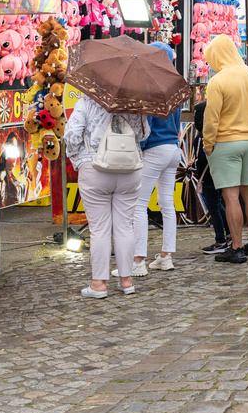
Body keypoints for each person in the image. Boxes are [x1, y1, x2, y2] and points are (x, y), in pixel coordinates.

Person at [63, 95, 149, 298]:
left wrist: (77, 157)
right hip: (129, 168)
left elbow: (72, 135)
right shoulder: (135, 100)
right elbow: (144, 135)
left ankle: (99, 283)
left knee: (99, 228)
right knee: (125, 226)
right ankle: (126, 281)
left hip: (95, 167)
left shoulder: (86, 101)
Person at [112, 42, 181, 278]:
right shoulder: (174, 84)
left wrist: (136, 148)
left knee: (138, 205)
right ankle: (165, 256)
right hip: (173, 148)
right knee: (167, 203)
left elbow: (145, 128)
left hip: (154, 149)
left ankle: (137, 260)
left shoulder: (148, 86)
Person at [203, 34, 248, 264]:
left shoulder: (218, 81)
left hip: (226, 142)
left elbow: (212, 118)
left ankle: (237, 247)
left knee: (230, 197)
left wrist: (208, 143)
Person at [194, 100, 231, 254]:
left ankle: (220, 240)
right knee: (219, 205)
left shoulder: (201, 137)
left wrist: (193, 168)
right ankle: (229, 234)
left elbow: (199, 160)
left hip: (208, 178)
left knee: (213, 208)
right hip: (219, 174)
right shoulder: (220, 134)